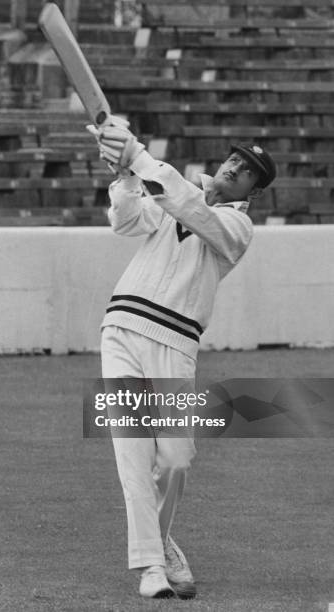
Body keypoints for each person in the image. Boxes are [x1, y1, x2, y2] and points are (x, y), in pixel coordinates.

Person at [87, 118, 276, 599]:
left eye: (248, 170)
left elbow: (191, 209)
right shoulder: (170, 194)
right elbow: (126, 221)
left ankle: (161, 539)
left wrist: (140, 157)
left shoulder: (236, 226)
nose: (236, 167)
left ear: (254, 190)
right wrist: (125, 173)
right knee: (132, 453)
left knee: (175, 460)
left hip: (173, 342)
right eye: (234, 159)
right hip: (121, 330)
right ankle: (151, 566)